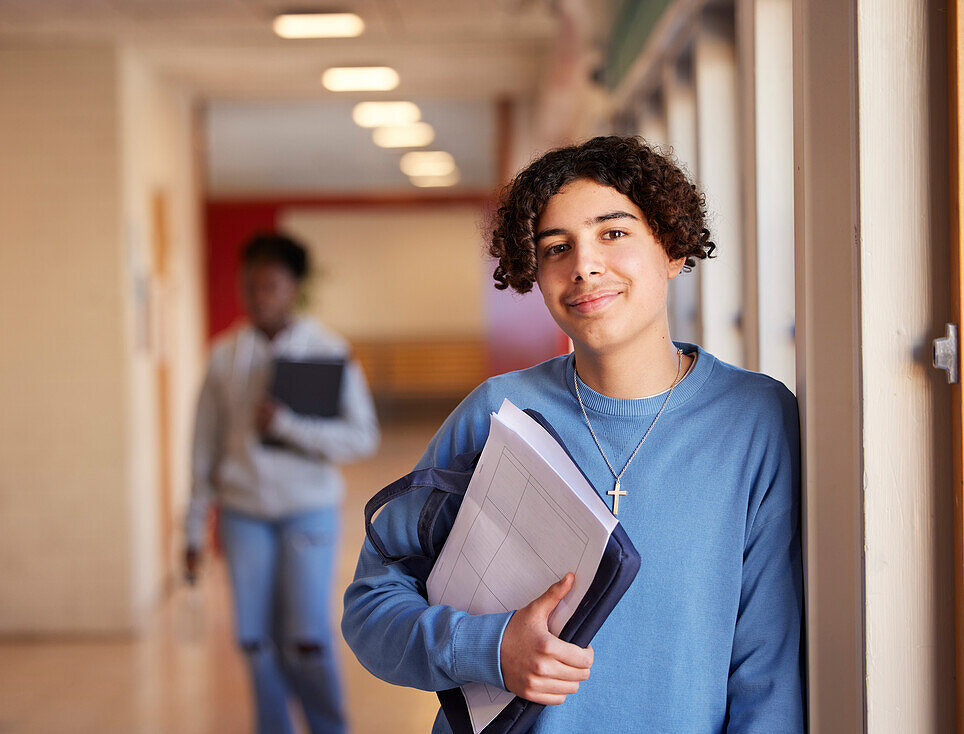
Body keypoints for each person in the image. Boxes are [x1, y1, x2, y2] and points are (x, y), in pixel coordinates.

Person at [342, 136, 804, 732]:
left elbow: (768, 665)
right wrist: (489, 647)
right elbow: (371, 606)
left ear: (671, 246)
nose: (584, 265)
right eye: (556, 247)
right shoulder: (496, 413)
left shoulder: (756, 420)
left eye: (613, 234)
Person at [185, 232, 379, 734]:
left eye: (270, 286)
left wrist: (289, 424)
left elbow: (361, 437)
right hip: (243, 512)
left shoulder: (327, 349)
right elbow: (203, 445)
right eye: (250, 287)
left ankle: (329, 727)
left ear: (294, 288)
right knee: (254, 638)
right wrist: (191, 528)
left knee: (306, 637)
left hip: (306, 509)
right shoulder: (224, 355)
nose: (259, 297)